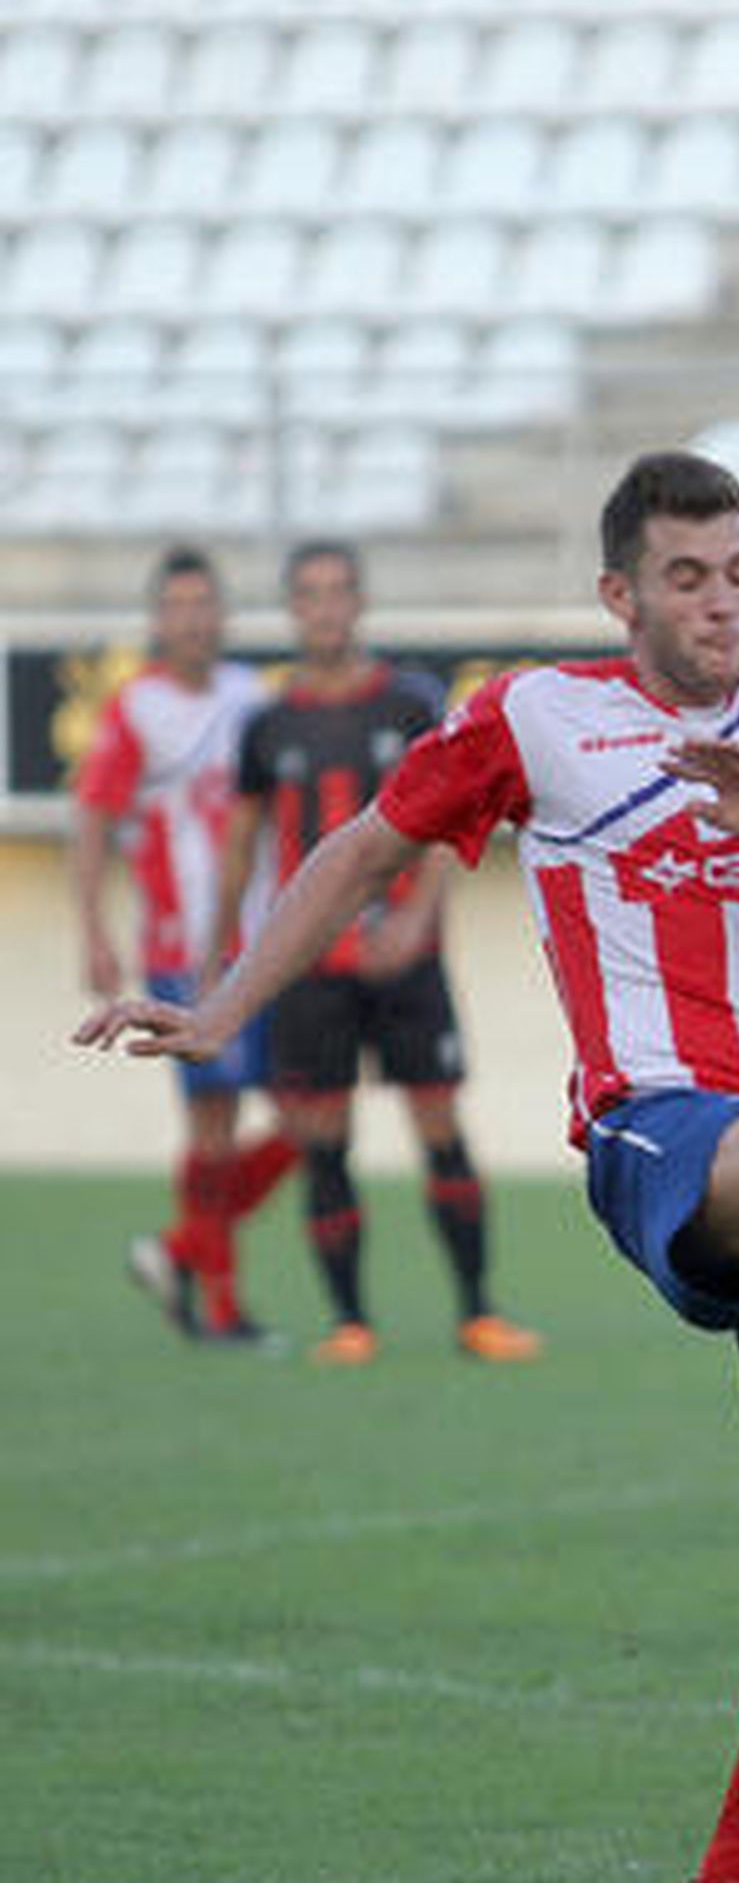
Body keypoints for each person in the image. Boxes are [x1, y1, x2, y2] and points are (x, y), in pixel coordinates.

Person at [78, 450, 739, 1883]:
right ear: (621, 593)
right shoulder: (534, 717)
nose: (724, 601)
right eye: (688, 576)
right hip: (666, 1129)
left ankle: (731, 1880)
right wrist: (222, 1008)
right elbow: (365, 849)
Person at [205, 538, 541, 1369]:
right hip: (310, 970)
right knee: (322, 1135)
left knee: (439, 1123)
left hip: (405, 959)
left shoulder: (409, 702)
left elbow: (445, 821)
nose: (325, 607)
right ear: (294, 608)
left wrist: (415, 922)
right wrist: (222, 954)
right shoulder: (267, 723)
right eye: (310, 593)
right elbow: (242, 842)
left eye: (338, 591)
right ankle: (350, 1322)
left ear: (359, 602)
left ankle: (477, 1312)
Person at [70, 545, 298, 1344]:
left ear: (223, 614)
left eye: (206, 604)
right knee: (214, 1124)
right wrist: (94, 928)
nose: (194, 619)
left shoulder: (250, 696)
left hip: (263, 936)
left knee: (306, 1117)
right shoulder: (136, 708)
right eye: (179, 606)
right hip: (181, 945)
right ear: (157, 619)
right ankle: (223, 1306)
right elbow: (93, 816)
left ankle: (174, 1251)